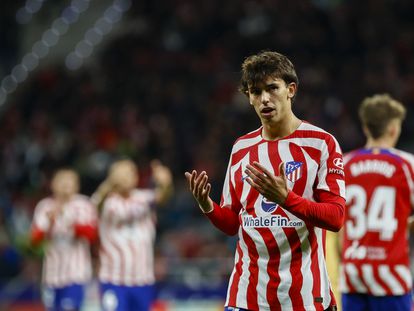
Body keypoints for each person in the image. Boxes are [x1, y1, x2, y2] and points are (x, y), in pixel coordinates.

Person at [185, 50, 346, 311]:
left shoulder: (321, 143)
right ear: (248, 97)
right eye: (256, 91)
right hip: (247, 296)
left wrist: (287, 199)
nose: (265, 98)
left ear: (291, 89)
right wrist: (207, 206)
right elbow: (232, 223)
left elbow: (336, 218)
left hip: (303, 297)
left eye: (272, 88)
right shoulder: (241, 148)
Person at [340, 94, 413, 311]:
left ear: (365, 128)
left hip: (352, 275)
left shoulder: (344, 164)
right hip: (390, 278)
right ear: (393, 129)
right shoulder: (406, 165)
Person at [92, 158, 173, 311]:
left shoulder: (144, 198)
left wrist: (165, 182)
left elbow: (164, 196)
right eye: (122, 173)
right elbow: (94, 206)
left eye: (130, 172)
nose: (127, 176)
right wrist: (109, 184)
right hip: (113, 279)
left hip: (142, 279)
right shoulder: (107, 202)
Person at [30, 168, 97, 311]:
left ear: (77, 185)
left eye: (70, 181)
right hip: (52, 274)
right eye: (61, 181)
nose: (66, 185)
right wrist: (49, 222)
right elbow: (34, 240)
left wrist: (66, 216)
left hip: (76, 273)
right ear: (53, 185)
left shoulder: (83, 204)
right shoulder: (44, 206)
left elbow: (91, 235)